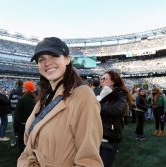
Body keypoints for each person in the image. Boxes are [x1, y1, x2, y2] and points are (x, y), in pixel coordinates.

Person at [17, 37, 103, 166]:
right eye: (41, 59)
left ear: (67, 59)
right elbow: (29, 144)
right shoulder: (44, 97)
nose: (47, 63)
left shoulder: (83, 94)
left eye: (53, 56)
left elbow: (89, 161)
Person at [99, 70, 132, 167]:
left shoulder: (120, 94)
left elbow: (116, 110)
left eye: (104, 78)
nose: (101, 80)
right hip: (99, 135)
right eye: (101, 78)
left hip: (111, 136)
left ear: (113, 82)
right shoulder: (103, 93)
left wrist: (98, 103)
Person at [13, 81, 36, 158]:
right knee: (32, 143)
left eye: (24, 87)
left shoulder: (22, 100)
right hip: (34, 125)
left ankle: (23, 160)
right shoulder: (37, 99)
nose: (22, 88)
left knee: (22, 145)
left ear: (27, 89)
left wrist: (15, 127)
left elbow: (17, 116)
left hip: (22, 126)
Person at [9, 79, 23, 146]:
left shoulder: (12, 91)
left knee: (13, 124)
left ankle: (13, 141)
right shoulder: (23, 91)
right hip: (21, 110)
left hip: (14, 109)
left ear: (17, 84)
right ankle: (22, 140)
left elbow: (9, 100)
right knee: (23, 124)